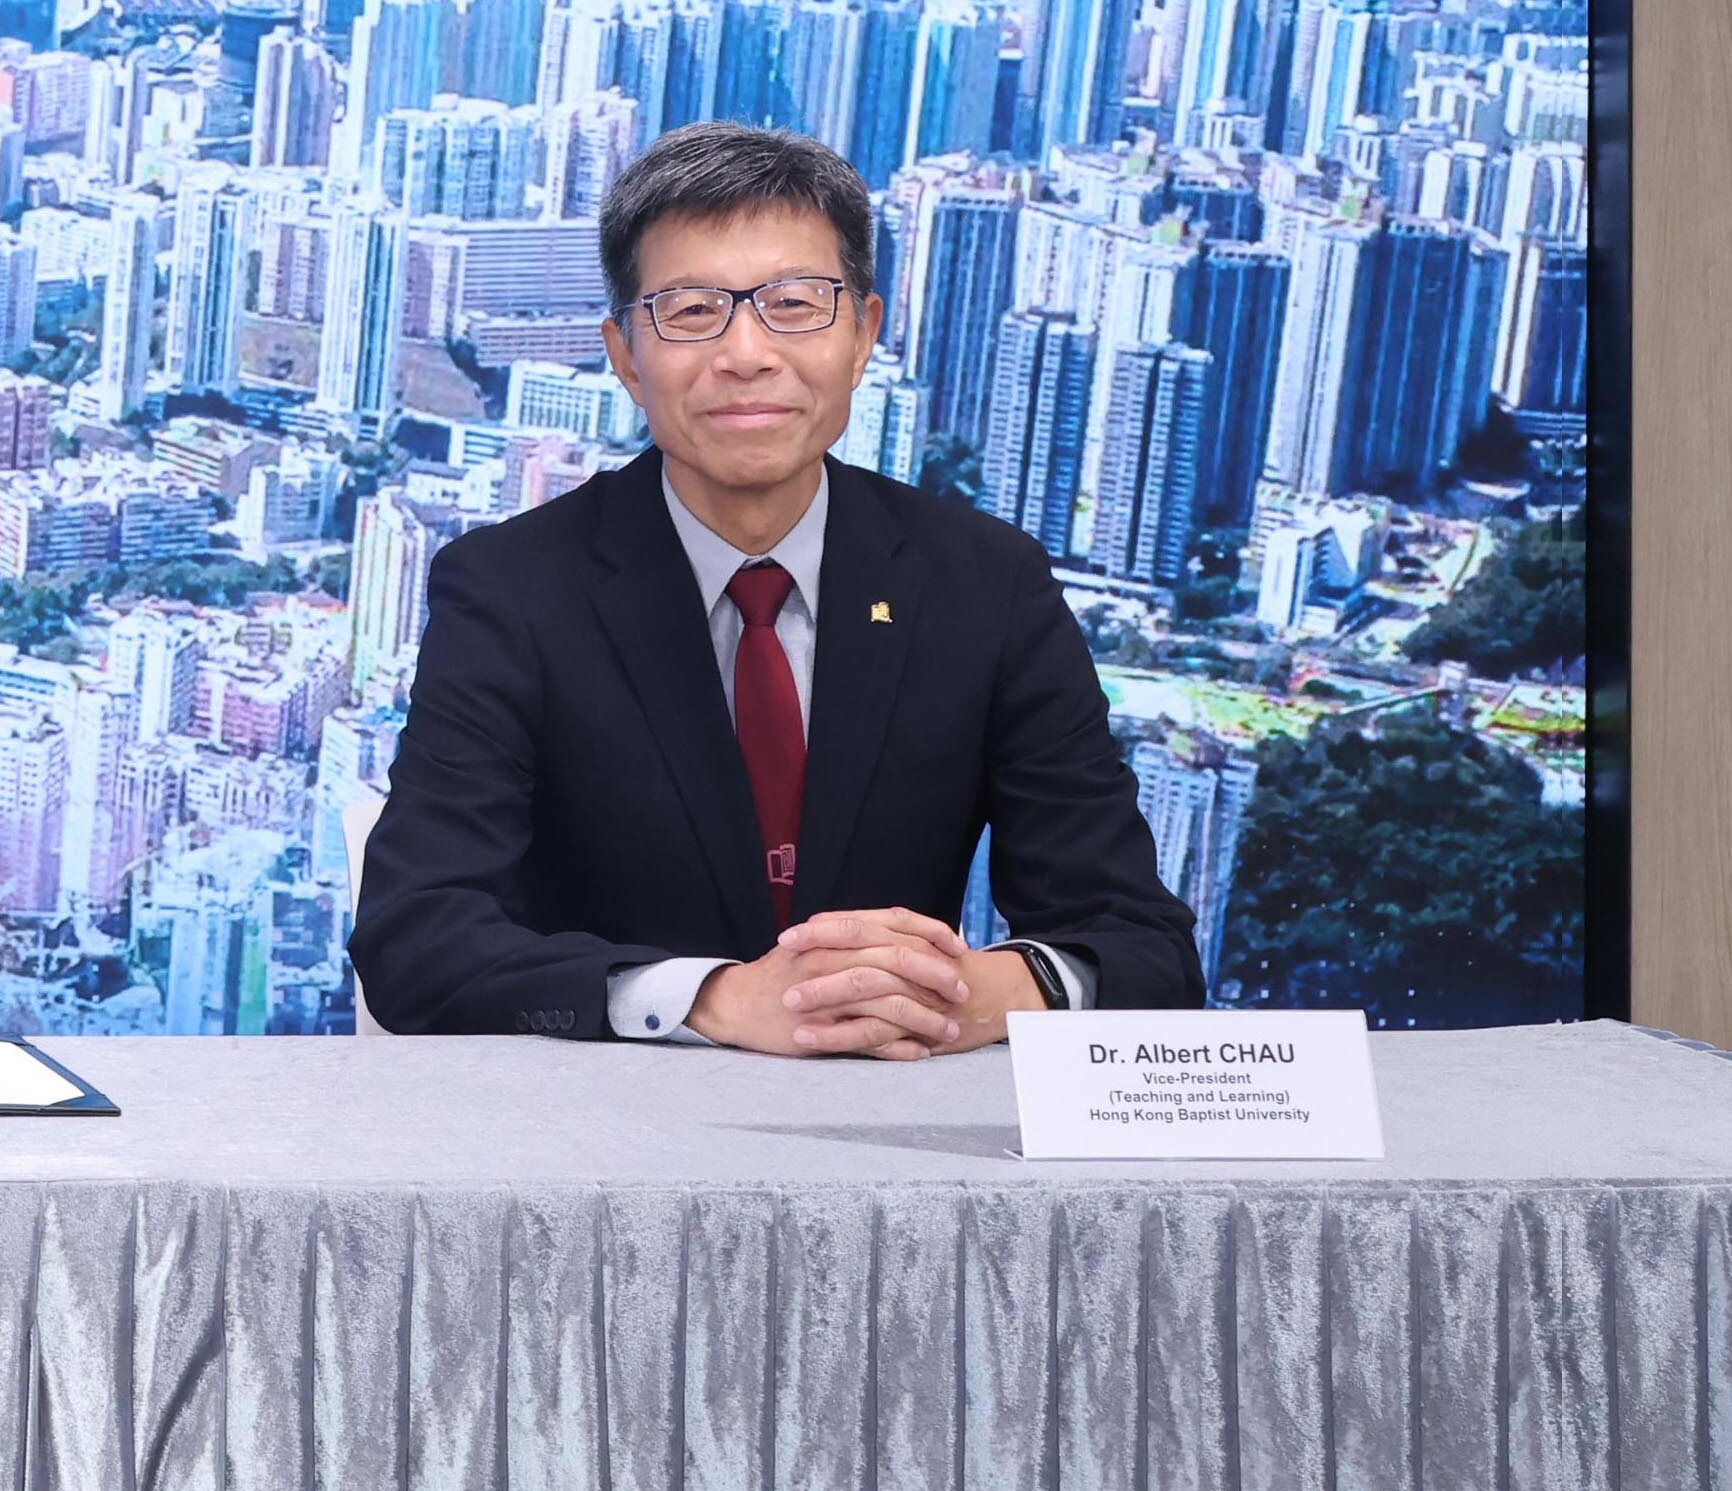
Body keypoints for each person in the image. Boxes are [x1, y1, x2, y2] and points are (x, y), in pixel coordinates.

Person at [350, 120, 1204, 1048]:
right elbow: (415, 942)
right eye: (690, 312)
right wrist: (708, 999)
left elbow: (1144, 946)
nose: (746, 353)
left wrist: (967, 992)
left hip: (892, 1109)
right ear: (624, 355)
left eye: (794, 304)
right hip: (602, 1116)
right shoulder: (511, 590)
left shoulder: (984, 585)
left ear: (863, 335)